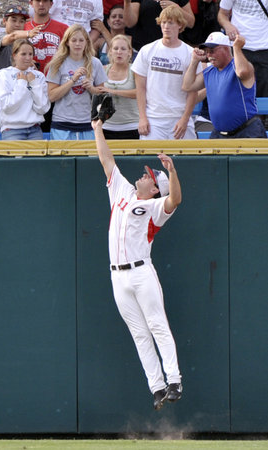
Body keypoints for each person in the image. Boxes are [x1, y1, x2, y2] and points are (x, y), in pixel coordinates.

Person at [92, 118, 183, 410]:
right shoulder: (121, 190)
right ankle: (156, 387)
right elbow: (107, 160)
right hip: (117, 276)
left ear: (156, 189)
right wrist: (97, 129)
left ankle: (174, 380)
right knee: (139, 333)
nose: (144, 176)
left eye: (149, 177)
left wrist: (171, 171)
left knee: (157, 325)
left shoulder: (156, 207)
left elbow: (175, 200)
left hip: (142, 271)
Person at [182, 31, 267, 138]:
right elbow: (187, 85)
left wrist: (236, 48)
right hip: (220, 133)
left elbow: (242, 72)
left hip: (246, 131)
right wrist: (194, 61)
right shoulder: (210, 72)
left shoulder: (239, 67)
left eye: (212, 51)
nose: (209, 55)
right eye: (207, 51)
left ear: (226, 49)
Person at [131, 5, 198, 140]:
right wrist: (143, 117)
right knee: (151, 160)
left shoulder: (190, 53)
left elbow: (193, 91)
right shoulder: (146, 50)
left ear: (179, 25)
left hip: (179, 117)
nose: (166, 26)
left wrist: (185, 119)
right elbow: (140, 88)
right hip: (153, 119)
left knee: (184, 159)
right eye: (163, 22)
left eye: (170, 22)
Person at [0, 4, 41, 133]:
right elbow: (12, 37)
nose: (18, 24)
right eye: (13, 19)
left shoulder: (18, 48)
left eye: (22, 21)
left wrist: (29, 63)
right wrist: (29, 33)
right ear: (4, 21)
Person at [46, 24, 107, 140]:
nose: (78, 44)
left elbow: (103, 96)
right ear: (67, 42)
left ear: (86, 42)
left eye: (81, 40)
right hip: (62, 123)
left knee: (88, 158)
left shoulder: (95, 63)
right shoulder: (57, 63)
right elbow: (51, 96)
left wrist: (91, 89)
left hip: (87, 123)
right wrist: (72, 80)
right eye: (74, 40)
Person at [0, 39, 50, 139]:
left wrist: (34, 83)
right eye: (23, 54)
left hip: (35, 129)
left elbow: (43, 108)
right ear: (14, 55)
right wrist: (21, 83)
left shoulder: (39, 76)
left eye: (30, 54)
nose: (28, 58)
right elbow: (7, 106)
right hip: (11, 130)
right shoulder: (4, 74)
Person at [217, 0, 268, 99]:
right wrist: (228, 26)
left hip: (265, 47)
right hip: (239, 46)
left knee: (265, 95)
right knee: (238, 90)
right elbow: (222, 14)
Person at [97, 34, 139, 139]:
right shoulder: (102, 69)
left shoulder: (135, 70)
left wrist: (112, 91)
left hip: (131, 126)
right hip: (106, 126)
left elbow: (140, 93)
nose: (119, 52)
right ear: (110, 51)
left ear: (129, 52)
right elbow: (97, 94)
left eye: (123, 49)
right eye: (115, 48)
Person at [123, 0, 195, 51]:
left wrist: (176, 8)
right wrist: (127, 3)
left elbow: (191, 23)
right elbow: (130, 23)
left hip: (172, 49)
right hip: (143, 48)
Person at [25, 0, 68, 74]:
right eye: (38, 1)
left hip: (55, 79)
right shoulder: (23, 28)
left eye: (45, 1)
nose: (41, 4)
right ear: (31, 3)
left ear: (51, 4)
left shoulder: (63, 29)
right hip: (29, 77)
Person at [29, 0, 104, 42]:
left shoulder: (97, 1)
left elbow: (97, 25)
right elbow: (39, 15)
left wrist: (87, 44)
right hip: (56, 42)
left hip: (81, 44)